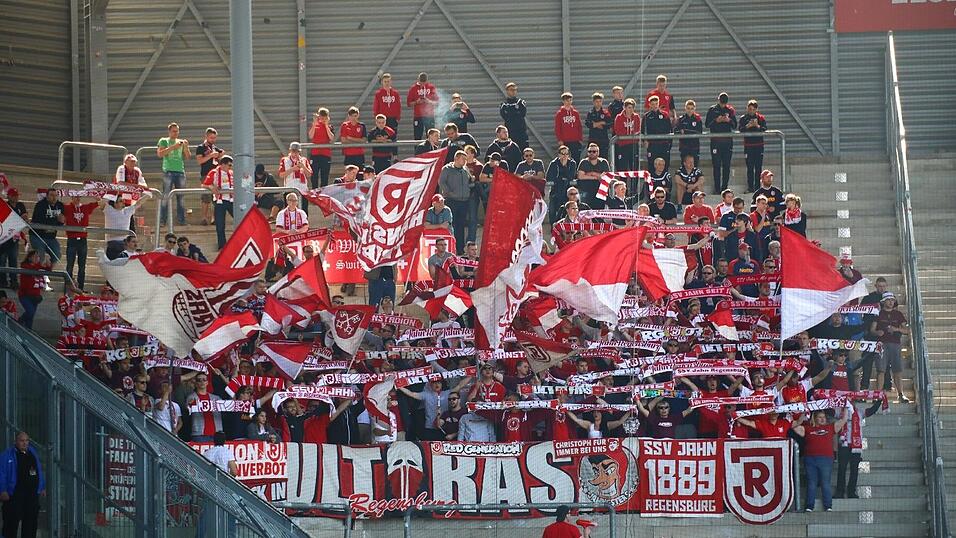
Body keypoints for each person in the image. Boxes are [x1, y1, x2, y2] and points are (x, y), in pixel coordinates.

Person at [792, 410, 848, 512]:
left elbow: (844, 420)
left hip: (826, 459)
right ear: (814, 418)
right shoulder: (807, 428)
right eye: (820, 417)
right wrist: (803, 414)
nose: (822, 419)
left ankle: (828, 506)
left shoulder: (830, 427)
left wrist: (846, 407)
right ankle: (809, 506)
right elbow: (794, 426)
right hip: (810, 459)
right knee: (811, 483)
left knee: (825, 483)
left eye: (824, 417)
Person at [0, 431, 46, 538]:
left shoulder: (32, 453)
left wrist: (42, 486)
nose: (25, 443)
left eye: (27, 440)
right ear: (15, 441)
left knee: (31, 523)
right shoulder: (6, 456)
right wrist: (2, 490)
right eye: (22, 440)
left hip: (31, 495)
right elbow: (1, 474)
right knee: (10, 524)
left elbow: (38, 470)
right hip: (14, 495)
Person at [871, 292, 910, 402]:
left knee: (897, 370)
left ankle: (900, 394)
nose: (891, 302)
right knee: (881, 370)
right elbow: (872, 330)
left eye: (892, 300)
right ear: (883, 302)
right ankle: (877, 395)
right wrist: (877, 332)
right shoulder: (878, 314)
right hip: (882, 344)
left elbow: (907, 330)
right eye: (888, 300)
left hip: (895, 344)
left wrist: (896, 329)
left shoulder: (898, 314)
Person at [157, 122, 190, 227]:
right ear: (169, 132)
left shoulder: (181, 142)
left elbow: (188, 157)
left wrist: (186, 147)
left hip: (180, 172)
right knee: (166, 196)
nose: (176, 133)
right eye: (173, 131)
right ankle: (162, 221)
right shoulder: (164, 141)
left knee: (181, 197)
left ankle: (181, 220)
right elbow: (160, 154)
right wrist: (173, 147)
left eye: (177, 131)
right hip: (168, 172)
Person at [439, 151, 472, 253]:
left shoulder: (465, 169)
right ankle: (450, 247)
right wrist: (449, 193)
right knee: (451, 225)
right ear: (456, 158)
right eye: (463, 159)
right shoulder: (447, 169)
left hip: (464, 201)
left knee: (461, 225)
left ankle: (460, 248)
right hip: (452, 201)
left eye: (465, 159)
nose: (465, 161)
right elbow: (441, 182)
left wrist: (468, 189)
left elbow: (470, 181)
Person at [62, 194, 97, 290]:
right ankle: (67, 288)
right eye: (75, 197)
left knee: (82, 266)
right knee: (70, 265)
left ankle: (80, 288)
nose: (77, 199)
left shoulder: (85, 207)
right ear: (72, 198)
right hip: (71, 239)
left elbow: (99, 203)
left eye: (79, 197)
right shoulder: (67, 208)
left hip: (82, 240)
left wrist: (98, 198)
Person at [705, 93, 737, 193]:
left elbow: (735, 125)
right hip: (716, 142)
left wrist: (729, 120)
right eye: (722, 102)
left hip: (727, 142)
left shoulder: (730, 110)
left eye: (725, 102)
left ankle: (725, 188)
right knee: (716, 165)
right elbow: (707, 124)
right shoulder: (712, 110)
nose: (723, 104)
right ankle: (717, 189)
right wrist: (716, 120)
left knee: (726, 165)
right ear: (718, 100)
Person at [202, 154, 235, 250]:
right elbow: (204, 184)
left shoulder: (232, 173)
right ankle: (222, 246)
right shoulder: (214, 172)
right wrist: (211, 187)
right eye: (229, 165)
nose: (230, 167)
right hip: (220, 202)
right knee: (220, 225)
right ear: (223, 164)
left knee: (241, 221)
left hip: (231, 200)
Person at [101, 194, 144, 260]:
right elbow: (101, 202)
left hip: (124, 243)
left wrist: (149, 194)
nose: (123, 202)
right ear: (115, 203)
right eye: (121, 201)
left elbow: (139, 203)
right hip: (112, 243)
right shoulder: (109, 210)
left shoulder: (127, 210)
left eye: (123, 200)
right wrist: (111, 194)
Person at [195, 127, 224, 226]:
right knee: (206, 197)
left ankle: (214, 218)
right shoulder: (201, 148)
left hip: (216, 175)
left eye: (215, 138)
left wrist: (219, 155)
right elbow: (200, 161)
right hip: (205, 174)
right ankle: (204, 217)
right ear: (206, 136)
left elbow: (222, 154)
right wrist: (211, 155)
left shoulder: (215, 148)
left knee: (216, 197)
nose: (213, 140)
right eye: (211, 138)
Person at [739, 100, 768, 193]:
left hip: (759, 146)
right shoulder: (743, 118)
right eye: (749, 109)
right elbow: (740, 129)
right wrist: (748, 126)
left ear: (756, 109)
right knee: (750, 167)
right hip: (748, 146)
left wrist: (757, 126)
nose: (751, 111)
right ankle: (750, 187)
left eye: (753, 109)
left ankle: (758, 188)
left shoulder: (761, 118)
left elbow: (764, 129)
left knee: (758, 167)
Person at [0, 189, 27, 289]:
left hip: (14, 239)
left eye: (17, 195)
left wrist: (24, 217)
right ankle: (2, 281)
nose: (16, 197)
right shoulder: (5, 206)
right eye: (13, 195)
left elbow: (25, 216)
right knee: (2, 260)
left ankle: (14, 281)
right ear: (9, 196)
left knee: (13, 260)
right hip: (4, 238)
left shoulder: (21, 205)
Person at [30, 189, 64, 264]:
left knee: (57, 255)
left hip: (51, 236)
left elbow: (61, 221)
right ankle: (40, 269)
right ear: (47, 196)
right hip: (38, 236)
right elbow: (40, 220)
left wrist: (61, 221)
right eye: (51, 195)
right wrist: (56, 219)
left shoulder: (60, 205)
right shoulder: (40, 205)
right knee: (41, 256)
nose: (54, 197)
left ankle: (47, 269)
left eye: (56, 195)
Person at [17, 250, 49, 330]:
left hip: (35, 296)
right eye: (35, 256)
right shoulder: (25, 266)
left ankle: (28, 330)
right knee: (30, 312)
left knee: (31, 316)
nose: (37, 258)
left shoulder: (38, 266)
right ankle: (20, 321)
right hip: (25, 295)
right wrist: (40, 266)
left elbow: (48, 269)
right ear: (29, 258)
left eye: (38, 257)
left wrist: (48, 262)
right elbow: (31, 268)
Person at [278, 142, 313, 213]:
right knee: (290, 211)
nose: (295, 153)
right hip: (289, 189)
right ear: (290, 151)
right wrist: (293, 169)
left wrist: (303, 166)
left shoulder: (304, 160)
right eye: (293, 151)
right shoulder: (285, 160)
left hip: (303, 190)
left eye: (297, 151)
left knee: (304, 212)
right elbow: (281, 175)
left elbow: (309, 174)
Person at [186, 372, 222, 442]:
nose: (202, 382)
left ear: (207, 382)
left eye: (204, 380)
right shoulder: (191, 397)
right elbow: (188, 410)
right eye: (199, 380)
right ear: (196, 383)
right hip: (199, 434)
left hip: (216, 433)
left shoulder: (216, 398)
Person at [546, 145, 578, 223]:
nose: (564, 156)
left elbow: (571, 176)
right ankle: (553, 226)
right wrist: (561, 178)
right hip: (556, 189)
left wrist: (564, 167)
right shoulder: (554, 163)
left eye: (566, 154)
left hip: (567, 189)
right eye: (562, 154)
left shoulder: (572, 163)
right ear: (559, 154)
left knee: (566, 209)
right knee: (552, 210)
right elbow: (549, 177)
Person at [642, 95, 674, 171]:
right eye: (653, 104)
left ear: (659, 104)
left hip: (664, 145)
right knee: (652, 166)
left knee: (665, 166)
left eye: (656, 104)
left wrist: (669, 144)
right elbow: (642, 131)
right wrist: (644, 141)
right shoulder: (646, 116)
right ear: (649, 105)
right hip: (652, 145)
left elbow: (670, 130)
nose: (655, 106)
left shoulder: (665, 115)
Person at [576, 143, 610, 208]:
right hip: (586, 190)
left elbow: (606, 176)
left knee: (599, 211)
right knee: (586, 210)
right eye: (589, 151)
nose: (591, 153)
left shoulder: (603, 162)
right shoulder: (583, 162)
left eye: (594, 151)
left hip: (600, 191)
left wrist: (591, 173)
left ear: (598, 153)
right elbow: (580, 176)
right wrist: (597, 177)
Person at [407, 72, 439, 140]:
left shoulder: (431, 87)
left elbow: (437, 102)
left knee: (431, 136)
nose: (423, 84)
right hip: (418, 116)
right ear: (418, 80)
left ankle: (431, 147)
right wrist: (417, 102)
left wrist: (429, 101)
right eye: (421, 82)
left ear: (427, 80)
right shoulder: (413, 88)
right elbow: (409, 103)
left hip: (429, 116)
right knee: (417, 136)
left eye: (424, 82)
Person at [308, 107, 334, 188]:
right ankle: (314, 191)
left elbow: (331, 138)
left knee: (324, 176)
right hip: (315, 154)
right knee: (314, 176)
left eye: (324, 118)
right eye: (321, 117)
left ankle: (323, 192)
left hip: (326, 154)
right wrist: (314, 124)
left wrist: (326, 125)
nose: (323, 119)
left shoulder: (329, 126)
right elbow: (310, 136)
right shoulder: (315, 125)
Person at [613, 98, 641, 172]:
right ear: (624, 107)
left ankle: (634, 180)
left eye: (632, 108)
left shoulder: (636, 117)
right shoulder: (619, 117)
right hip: (623, 145)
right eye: (629, 107)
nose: (631, 110)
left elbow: (637, 129)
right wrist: (629, 134)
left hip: (633, 145)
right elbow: (618, 131)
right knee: (622, 167)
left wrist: (631, 134)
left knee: (634, 168)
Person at [499, 82, 529, 152]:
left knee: (524, 151)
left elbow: (523, 114)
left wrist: (511, 112)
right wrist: (515, 112)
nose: (513, 91)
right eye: (511, 90)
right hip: (510, 133)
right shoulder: (504, 104)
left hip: (521, 133)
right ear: (507, 91)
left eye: (515, 90)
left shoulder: (520, 102)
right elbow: (505, 116)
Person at [554, 92, 583, 162]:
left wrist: (580, 138)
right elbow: (557, 127)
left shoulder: (575, 113)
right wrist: (560, 139)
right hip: (565, 141)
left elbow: (579, 126)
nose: (569, 102)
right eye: (567, 100)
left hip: (575, 140)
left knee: (576, 158)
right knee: (565, 159)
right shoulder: (559, 113)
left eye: (570, 100)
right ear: (563, 101)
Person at [675, 99, 703, 166]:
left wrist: (685, 131)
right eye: (688, 108)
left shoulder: (697, 119)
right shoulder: (681, 119)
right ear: (685, 108)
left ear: (694, 109)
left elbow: (699, 131)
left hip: (694, 146)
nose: (690, 110)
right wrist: (680, 132)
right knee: (684, 166)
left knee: (694, 166)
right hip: (684, 146)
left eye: (691, 108)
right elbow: (676, 131)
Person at [585, 92, 612, 159]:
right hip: (593, 139)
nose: (598, 103)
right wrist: (601, 122)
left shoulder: (606, 113)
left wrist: (596, 124)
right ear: (593, 102)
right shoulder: (590, 113)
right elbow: (588, 124)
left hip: (603, 140)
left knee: (603, 158)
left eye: (600, 101)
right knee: (592, 157)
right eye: (597, 101)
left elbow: (609, 124)